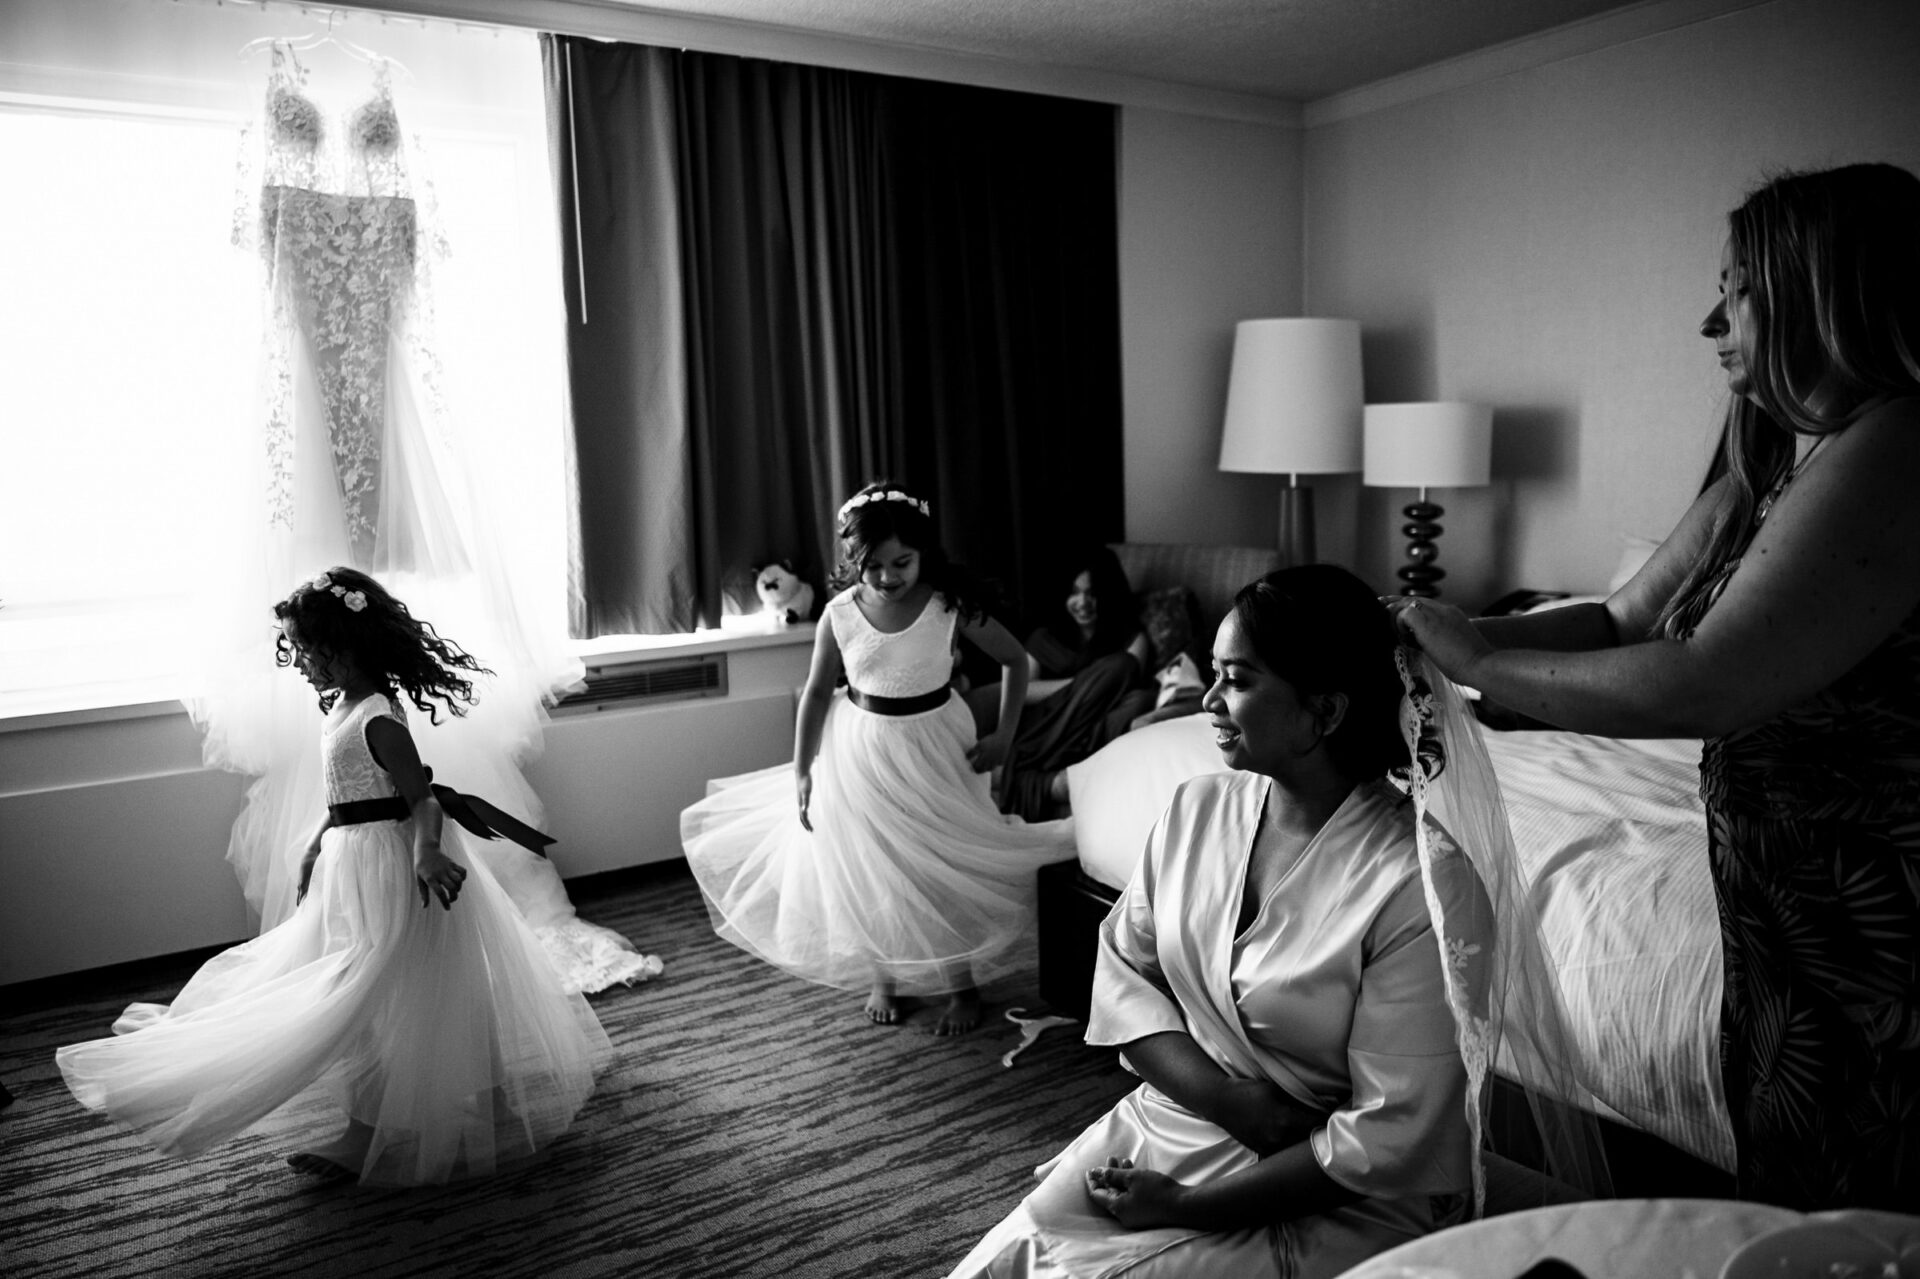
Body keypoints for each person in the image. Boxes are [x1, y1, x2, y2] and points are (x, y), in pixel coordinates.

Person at [1389, 162, 1920, 1211]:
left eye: (1739, 288)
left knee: (1866, 1194)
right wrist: (1444, 628)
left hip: (1875, 921)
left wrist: (1485, 669)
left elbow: (1702, 680)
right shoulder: (1770, 466)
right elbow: (1626, 618)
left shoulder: (1896, 447)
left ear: (1823, 290)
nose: (1710, 319)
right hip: (1781, 915)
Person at [949, 565, 1603, 1279]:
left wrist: (1187, 1206)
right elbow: (1124, 969)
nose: (1208, 699)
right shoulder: (1196, 808)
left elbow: (1386, 1137)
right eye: (1215, 674)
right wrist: (1228, 1101)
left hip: (1331, 1187)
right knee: (1009, 1258)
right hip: (1180, 1117)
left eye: (1238, 679)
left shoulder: (1419, 888)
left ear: (1323, 711)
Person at [56, 570, 610, 1186]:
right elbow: (347, 791)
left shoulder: (378, 718)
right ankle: (452, 1109)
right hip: (353, 860)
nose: (299, 663)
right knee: (396, 983)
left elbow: (421, 798)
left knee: (379, 988)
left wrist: (428, 853)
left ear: (347, 646)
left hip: (393, 866)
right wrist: (316, 843)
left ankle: (397, 1126)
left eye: (308, 650)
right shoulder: (342, 709)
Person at [681, 482, 1075, 1037]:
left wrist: (1006, 736)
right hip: (860, 748)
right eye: (872, 566)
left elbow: (1016, 661)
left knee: (939, 863)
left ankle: (961, 981)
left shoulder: (947, 604)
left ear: (923, 555)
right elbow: (817, 693)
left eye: (901, 563)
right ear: (853, 561)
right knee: (872, 866)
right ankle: (884, 973)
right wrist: (802, 769)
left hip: (937, 744)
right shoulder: (838, 614)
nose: (887, 577)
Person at [969, 546, 1154, 819]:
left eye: (1093, 594)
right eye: (1075, 592)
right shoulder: (1045, 637)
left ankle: (1028, 768)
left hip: (1093, 727)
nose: (1083, 602)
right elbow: (1024, 690)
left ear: (1109, 595)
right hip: (1046, 724)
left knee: (1136, 692)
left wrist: (1090, 691)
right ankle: (1042, 767)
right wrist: (1083, 686)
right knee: (1121, 668)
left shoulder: (1131, 638)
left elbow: (1126, 689)